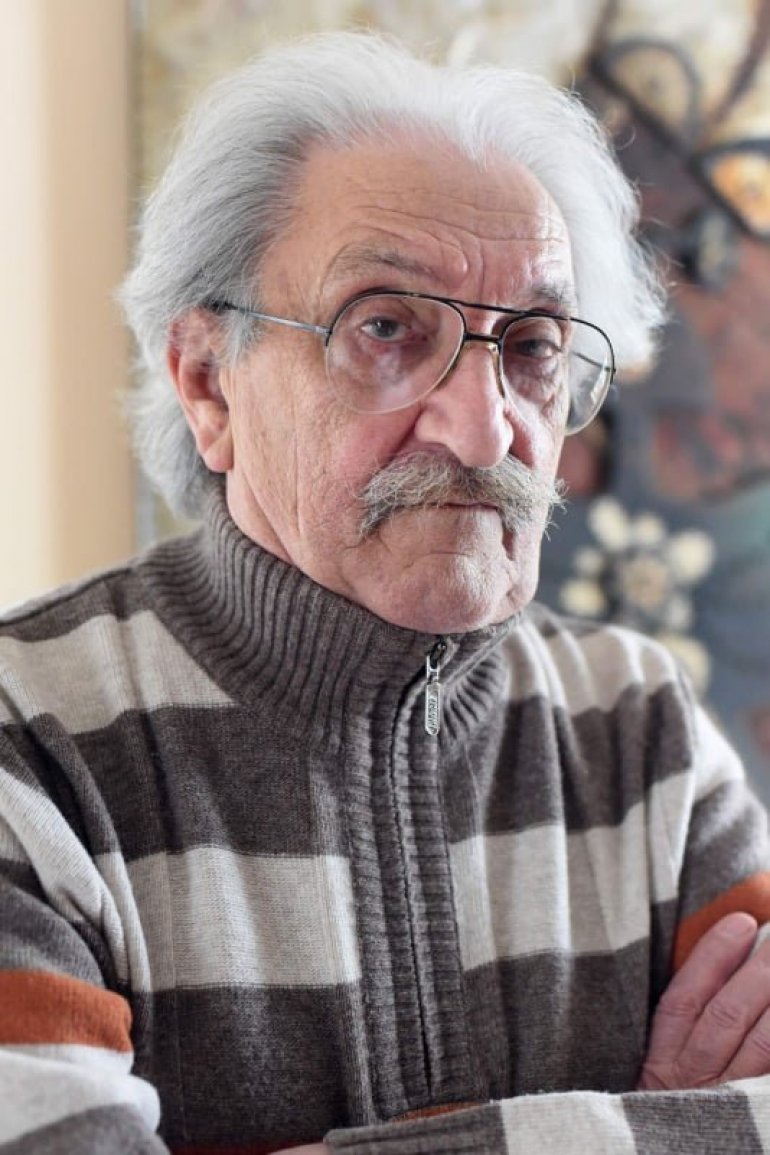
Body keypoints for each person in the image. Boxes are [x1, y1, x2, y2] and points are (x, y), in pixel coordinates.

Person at [1, 30, 770, 1155]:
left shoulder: (638, 725)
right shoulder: (29, 737)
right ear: (207, 382)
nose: (486, 428)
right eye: (384, 328)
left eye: (532, 345)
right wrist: (654, 1125)